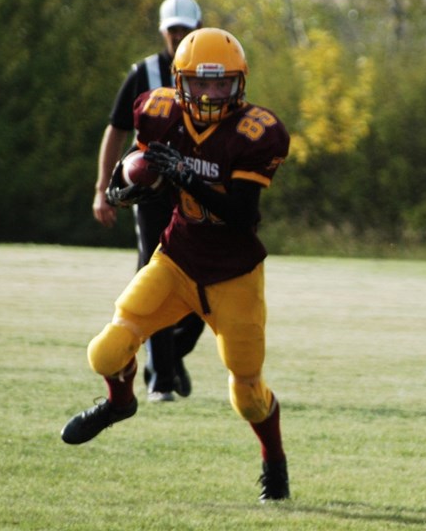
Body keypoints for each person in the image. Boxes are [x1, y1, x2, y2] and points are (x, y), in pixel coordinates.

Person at [63, 27, 293, 502]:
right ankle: (119, 402)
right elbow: (136, 163)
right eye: (201, 84)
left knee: (248, 394)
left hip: (234, 275)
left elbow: (241, 215)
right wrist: (127, 184)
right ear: (180, 81)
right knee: (105, 352)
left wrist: (185, 175)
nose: (210, 94)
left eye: (221, 84)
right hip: (177, 261)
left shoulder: (256, 132)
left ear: (239, 84)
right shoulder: (160, 110)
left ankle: (274, 460)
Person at [92, 0, 207, 402]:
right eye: (172, 29)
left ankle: (171, 357)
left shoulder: (213, 71)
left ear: (197, 29)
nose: (178, 36)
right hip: (153, 194)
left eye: (185, 29)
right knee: (154, 275)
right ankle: (162, 380)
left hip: (198, 190)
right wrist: (101, 189)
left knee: (205, 278)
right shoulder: (145, 72)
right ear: (163, 31)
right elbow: (116, 128)